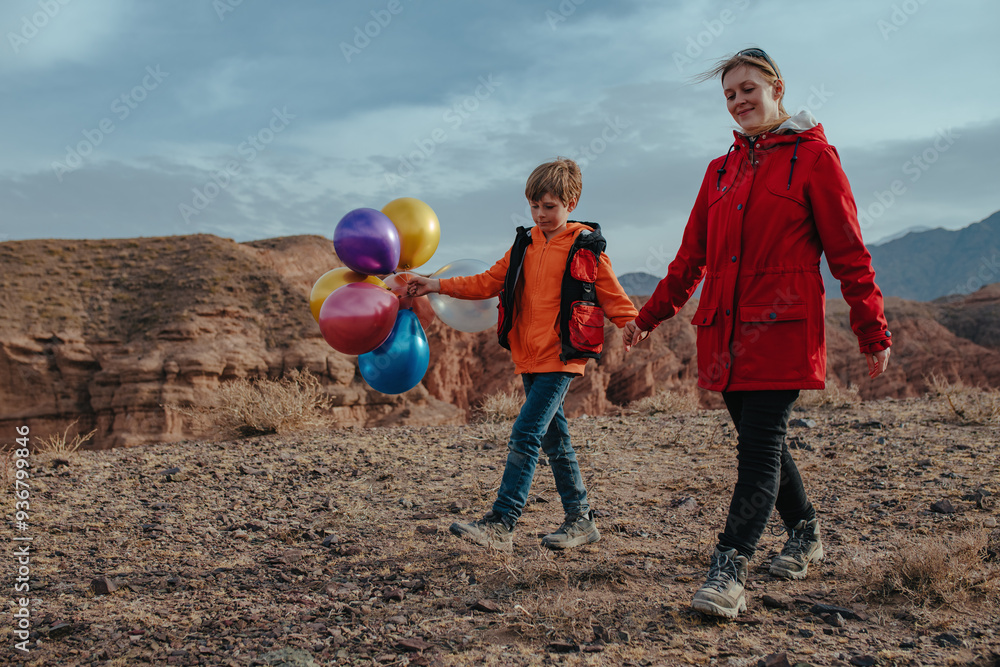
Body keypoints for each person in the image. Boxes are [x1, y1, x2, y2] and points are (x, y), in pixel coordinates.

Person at [623, 48, 892, 619]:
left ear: (777, 88)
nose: (739, 101)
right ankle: (806, 533)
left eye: (748, 88)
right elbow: (689, 257)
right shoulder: (719, 170)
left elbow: (849, 253)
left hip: (781, 331)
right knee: (761, 441)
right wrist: (649, 317)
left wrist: (872, 328)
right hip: (722, 333)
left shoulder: (815, 159)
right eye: (729, 95)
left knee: (759, 447)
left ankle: (730, 566)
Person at [408, 157, 638, 553]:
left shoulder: (586, 247)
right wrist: (434, 284)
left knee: (525, 433)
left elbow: (611, 293)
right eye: (535, 206)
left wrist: (633, 320)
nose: (541, 214)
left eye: (550, 206)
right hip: (528, 356)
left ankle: (502, 522)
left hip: (561, 356)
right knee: (555, 441)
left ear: (572, 202)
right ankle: (581, 520)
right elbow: (485, 282)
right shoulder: (524, 245)